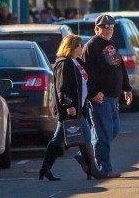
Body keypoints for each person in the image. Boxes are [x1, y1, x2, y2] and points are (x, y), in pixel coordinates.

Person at [40, 35, 100, 181]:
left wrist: (91, 95)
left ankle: (45, 169)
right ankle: (91, 169)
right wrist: (69, 105)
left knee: (58, 140)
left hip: (79, 107)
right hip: (70, 109)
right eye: (80, 45)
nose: (82, 47)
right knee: (85, 137)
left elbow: (83, 83)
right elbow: (62, 88)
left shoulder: (76, 62)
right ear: (72, 48)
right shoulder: (64, 64)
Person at [81, 15, 132, 178]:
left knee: (114, 130)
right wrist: (93, 93)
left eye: (111, 27)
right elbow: (86, 74)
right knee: (103, 133)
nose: (108, 30)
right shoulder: (91, 46)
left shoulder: (112, 44)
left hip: (114, 96)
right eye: (104, 27)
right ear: (97, 29)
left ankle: (86, 157)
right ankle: (105, 169)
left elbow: (120, 66)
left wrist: (126, 87)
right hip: (100, 98)